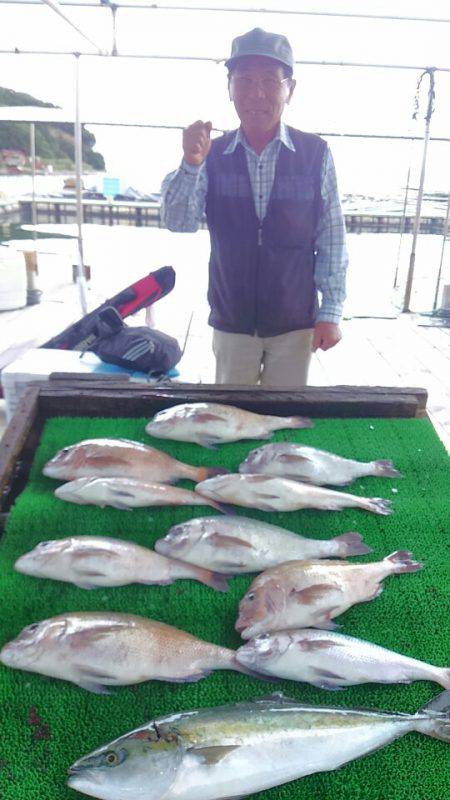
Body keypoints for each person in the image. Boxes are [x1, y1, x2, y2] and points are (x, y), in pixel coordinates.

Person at [161, 27, 348, 387]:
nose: (256, 93)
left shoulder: (315, 154)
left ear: (289, 89)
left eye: (269, 81)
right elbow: (178, 221)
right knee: (229, 418)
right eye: (244, 80)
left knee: (285, 419)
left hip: (295, 322)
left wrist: (331, 312)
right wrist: (190, 163)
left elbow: (332, 237)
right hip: (232, 320)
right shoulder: (210, 154)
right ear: (229, 88)